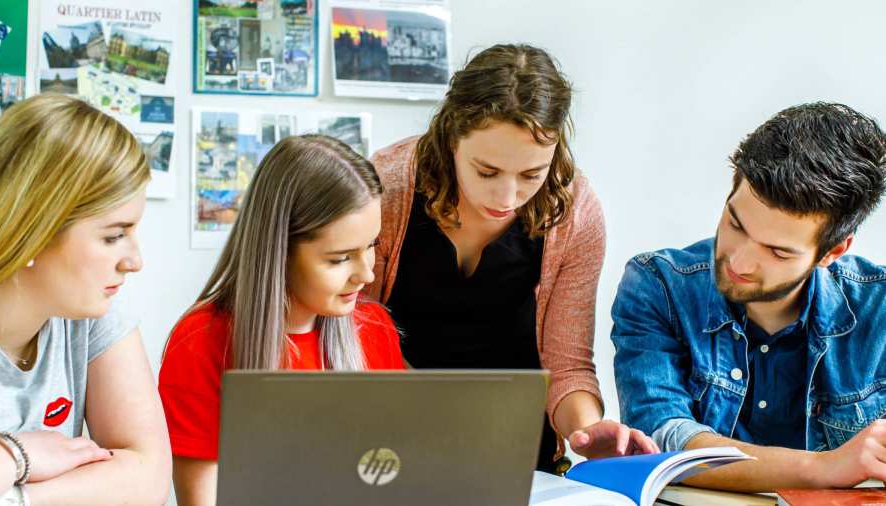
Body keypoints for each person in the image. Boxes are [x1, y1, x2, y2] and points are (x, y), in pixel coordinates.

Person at [368, 43, 658, 474]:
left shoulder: (576, 213)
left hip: (517, 458)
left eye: (531, 175)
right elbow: (348, 331)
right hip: (388, 446)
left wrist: (588, 432)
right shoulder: (386, 188)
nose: (507, 198)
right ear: (450, 139)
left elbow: (567, 365)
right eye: (486, 172)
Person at [611, 102, 886, 491]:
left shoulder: (879, 307)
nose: (740, 260)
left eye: (777, 252)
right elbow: (664, 442)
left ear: (831, 253)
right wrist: (825, 467)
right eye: (735, 224)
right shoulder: (659, 285)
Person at [159, 135, 405, 506]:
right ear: (278, 251)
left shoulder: (374, 328)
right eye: (339, 259)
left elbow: (394, 477)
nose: (367, 275)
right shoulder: (201, 340)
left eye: (372, 245)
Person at [0, 94, 171, 506]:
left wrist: (12, 496)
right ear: (30, 228)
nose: (134, 261)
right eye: (112, 236)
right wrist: (17, 454)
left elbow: (149, 479)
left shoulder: (92, 308)